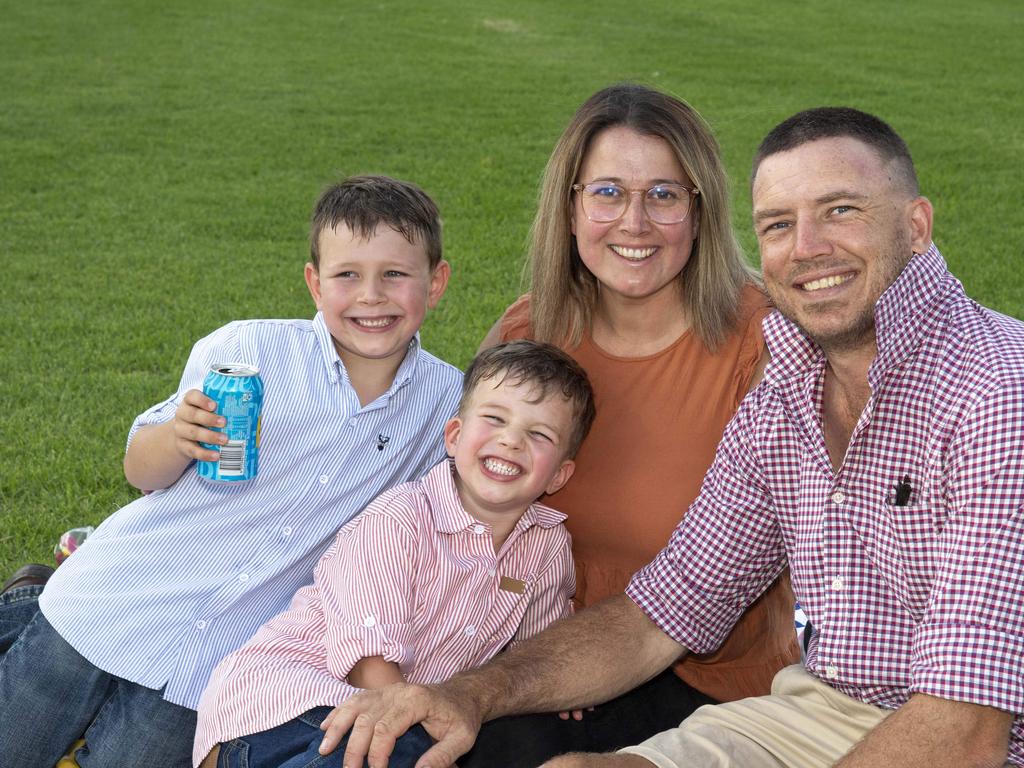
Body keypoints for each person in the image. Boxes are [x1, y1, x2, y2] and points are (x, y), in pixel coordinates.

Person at [322, 108, 1024, 768]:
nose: (807, 249)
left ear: (918, 224)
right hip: (829, 705)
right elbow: (664, 609)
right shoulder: (788, 392)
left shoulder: (994, 394)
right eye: (778, 225)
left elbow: (965, 733)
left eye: (840, 210)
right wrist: (470, 693)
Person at [0, 175, 463, 768]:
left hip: (222, 661)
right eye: (347, 275)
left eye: (396, 274)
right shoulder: (248, 349)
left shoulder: (447, 404)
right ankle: (33, 599)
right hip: (111, 603)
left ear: (437, 281)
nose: (372, 296)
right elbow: (140, 467)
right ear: (314, 284)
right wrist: (177, 437)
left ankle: (24, 597)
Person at [462, 83, 798, 764]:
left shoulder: (765, 346)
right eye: (608, 193)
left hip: (710, 681)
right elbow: (460, 516)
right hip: (543, 655)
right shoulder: (530, 335)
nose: (634, 223)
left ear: (701, 211)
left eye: (665, 195)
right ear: (572, 206)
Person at [192, 340, 596, 768]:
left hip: (387, 719)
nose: (511, 440)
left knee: (428, 745)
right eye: (494, 419)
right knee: (407, 749)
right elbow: (370, 665)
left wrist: (562, 685)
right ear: (454, 437)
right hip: (281, 709)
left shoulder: (546, 547)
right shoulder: (399, 519)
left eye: (538, 434)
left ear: (559, 474)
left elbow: (538, 650)